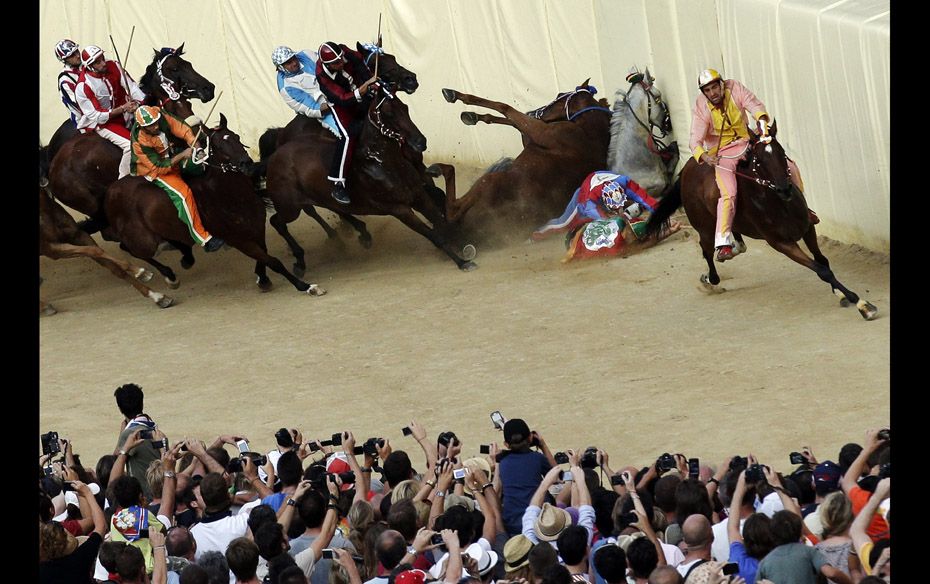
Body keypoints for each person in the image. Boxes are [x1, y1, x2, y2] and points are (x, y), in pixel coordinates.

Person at [689, 68, 806, 262]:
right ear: (704, 92)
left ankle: (803, 210)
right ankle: (723, 241)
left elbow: (755, 106)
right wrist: (705, 157)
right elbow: (694, 140)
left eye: (714, 88)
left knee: (789, 166)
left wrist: (762, 126)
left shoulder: (734, 87)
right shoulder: (701, 106)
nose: (712, 93)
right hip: (724, 152)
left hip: (748, 140)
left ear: (721, 84)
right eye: (707, 90)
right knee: (729, 193)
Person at [129, 105, 225, 252]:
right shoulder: (139, 141)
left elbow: (184, 129)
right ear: (142, 127)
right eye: (150, 126)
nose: (155, 127)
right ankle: (204, 239)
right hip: (156, 170)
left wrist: (196, 147)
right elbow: (157, 167)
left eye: (156, 122)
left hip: (173, 156)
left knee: (202, 167)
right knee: (183, 194)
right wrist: (182, 155)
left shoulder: (161, 116)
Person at [532, 171, 680, 261]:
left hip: (599, 196)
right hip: (583, 199)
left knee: (623, 217)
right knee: (562, 225)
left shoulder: (626, 184)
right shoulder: (589, 201)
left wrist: (663, 217)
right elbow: (607, 223)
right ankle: (535, 235)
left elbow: (649, 201)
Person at [315, 41, 381, 205]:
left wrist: (371, 81)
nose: (342, 63)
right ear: (327, 65)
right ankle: (338, 183)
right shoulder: (322, 77)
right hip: (341, 104)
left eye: (341, 58)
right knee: (347, 136)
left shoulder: (343, 51)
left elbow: (359, 62)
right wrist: (361, 90)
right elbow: (342, 99)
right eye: (337, 63)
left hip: (361, 88)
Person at [75, 45, 146, 178]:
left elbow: (132, 88)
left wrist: (139, 103)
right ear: (89, 66)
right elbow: (97, 115)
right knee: (131, 145)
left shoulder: (114, 65)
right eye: (98, 62)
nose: (103, 63)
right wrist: (123, 108)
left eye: (102, 58)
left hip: (124, 112)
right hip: (104, 123)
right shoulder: (83, 86)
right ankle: (123, 179)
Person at [271, 46, 341, 137]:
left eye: (294, 58)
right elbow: (312, 108)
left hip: (340, 91)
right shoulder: (286, 88)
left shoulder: (307, 54)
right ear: (280, 67)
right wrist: (337, 101)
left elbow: (330, 65)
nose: (295, 63)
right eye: (289, 63)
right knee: (345, 132)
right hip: (327, 109)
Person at [54, 39, 83, 125]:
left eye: (77, 51)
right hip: (84, 120)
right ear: (64, 60)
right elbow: (79, 104)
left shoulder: (87, 65)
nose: (78, 56)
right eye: (72, 55)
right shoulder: (65, 80)